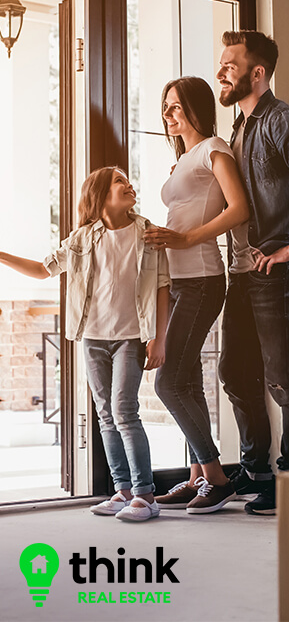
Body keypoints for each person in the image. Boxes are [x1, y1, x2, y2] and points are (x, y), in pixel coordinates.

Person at [0, 166, 170, 522]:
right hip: (92, 336)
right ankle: (122, 491)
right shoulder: (81, 239)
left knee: (124, 411)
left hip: (130, 337)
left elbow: (162, 287)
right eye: (119, 181)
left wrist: (159, 338)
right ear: (101, 195)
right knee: (106, 414)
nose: (129, 184)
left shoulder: (147, 233)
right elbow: (43, 269)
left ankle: (146, 495)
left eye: (128, 180)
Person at [216, 30, 289, 515]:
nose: (222, 70)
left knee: (286, 381)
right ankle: (258, 471)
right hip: (243, 273)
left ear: (257, 72)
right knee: (235, 372)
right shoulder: (237, 130)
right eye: (221, 63)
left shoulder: (283, 121)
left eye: (230, 64)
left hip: (276, 272)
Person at [144, 76, 250, 514]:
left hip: (204, 277)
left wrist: (186, 240)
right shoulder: (184, 158)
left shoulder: (214, 148)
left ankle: (218, 476)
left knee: (168, 380)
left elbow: (239, 208)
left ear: (196, 108)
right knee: (186, 381)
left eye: (176, 107)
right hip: (181, 280)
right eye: (165, 108)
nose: (169, 115)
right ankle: (196, 479)